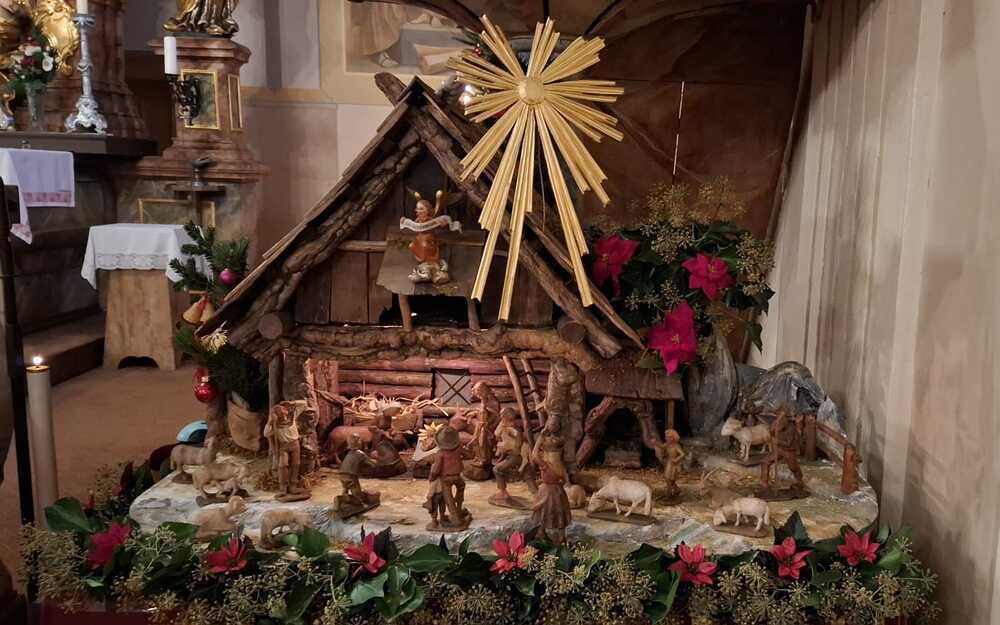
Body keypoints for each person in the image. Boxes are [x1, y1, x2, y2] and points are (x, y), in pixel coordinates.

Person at [531, 431, 572, 544]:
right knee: (552, 512)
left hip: (553, 491)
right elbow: (534, 456)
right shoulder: (552, 464)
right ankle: (545, 533)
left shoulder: (551, 463)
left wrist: (539, 440)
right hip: (553, 491)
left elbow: (534, 455)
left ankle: (558, 537)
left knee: (554, 512)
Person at [427, 426, 471, 529]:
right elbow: (469, 455)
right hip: (458, 477)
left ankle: (455, 518)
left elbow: (436, 468)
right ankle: (458, 509)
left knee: (448, 498)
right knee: (460, 489)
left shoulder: (440, 453)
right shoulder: (458, 449)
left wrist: (431, 477)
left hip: (446, 479)